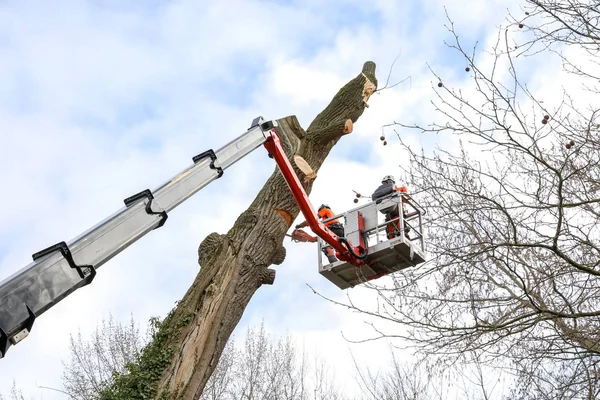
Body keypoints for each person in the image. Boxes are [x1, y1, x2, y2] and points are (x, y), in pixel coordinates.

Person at [371, 175, 411, 239]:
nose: (384, 184)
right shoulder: (381, 191)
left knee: (401, 228)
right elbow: (374, 196)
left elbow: (407, 198)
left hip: (398, 212)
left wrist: (397, 193)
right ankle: (392, 238)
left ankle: (404, 235)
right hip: (389, 214)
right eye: (384, 183)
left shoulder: (400, 189)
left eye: (385, 182)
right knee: (390, 232)